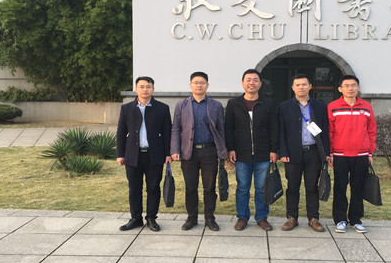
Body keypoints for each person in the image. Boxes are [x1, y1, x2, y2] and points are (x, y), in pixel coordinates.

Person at [171, 71, 227, 231]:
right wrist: (175, 149)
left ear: (207, 85)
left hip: (210, 151)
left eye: (202, 82)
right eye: (196, 82)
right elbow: (176, 128)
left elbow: (221, 129)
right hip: (189, 152)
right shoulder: (181, 105)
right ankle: (192, 218)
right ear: (190, 85)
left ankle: (210, 218)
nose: (199, 85)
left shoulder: (216, 105)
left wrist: (222, 151)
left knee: (209, 187)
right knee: (190, 187)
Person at [225, 69, 279, 231]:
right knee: (243, 187)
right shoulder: (234, 103)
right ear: (243, 83)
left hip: (263, 153)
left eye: (255, 80)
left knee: (262, 188)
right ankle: (242, 217)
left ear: (260, 84)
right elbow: (229, 128)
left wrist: (274, 149)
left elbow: (274, 128)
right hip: (241, 153)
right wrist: (231, 149)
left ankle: (261, 217)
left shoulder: (268, 103)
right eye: (248, 80)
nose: (251, 83)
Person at [116, 76, 172, 232]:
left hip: (154, 154)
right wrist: (120, 154)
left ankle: (151, 218)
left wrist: (168, 154)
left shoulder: (162, 108)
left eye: (148, 86)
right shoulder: (126, 108)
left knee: (153, 188)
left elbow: (167, 133)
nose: (145, 89)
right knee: (134, 188)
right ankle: (136, 218)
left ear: (153, 89)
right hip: (132, 155)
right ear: (136, 89)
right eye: (141, 86)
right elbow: (121, 133)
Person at [278, 74, 330, 232]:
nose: (301, 87)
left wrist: (326, 153)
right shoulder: (284, 107)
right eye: (298, 85)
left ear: (310, 86)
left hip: (313, 152)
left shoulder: (320, 106)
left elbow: (325, 131)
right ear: (292, 88)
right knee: (292, 186)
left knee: (312, 187)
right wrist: (282, 152)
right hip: (292, 153)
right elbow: (281, 131)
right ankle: (291, 218)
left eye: (304, 84)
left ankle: (313, 218)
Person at [328, 74, 377, 233]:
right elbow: (330, 131)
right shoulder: (333, 106)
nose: (350, 88)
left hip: (361, 155)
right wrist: (330, 153)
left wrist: (370, 152)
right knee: (340, 188)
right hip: (340, 155)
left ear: (358, 88)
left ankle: (356, 219)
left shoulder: (366, 107)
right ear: (340, 89)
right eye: (346, 86)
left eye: (353, 85)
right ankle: (340, 219)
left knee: (358, 188)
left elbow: (371, 130)